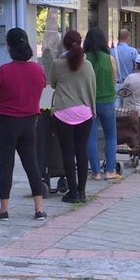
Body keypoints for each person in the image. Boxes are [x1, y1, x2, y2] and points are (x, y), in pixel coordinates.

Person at [0, 28, 46, 221]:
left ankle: (3, 209)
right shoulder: (38, 70)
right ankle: (39, 209)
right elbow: (40, 88)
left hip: (7, 123)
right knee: (32, 164)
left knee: (6, 166)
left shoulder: (5, 70)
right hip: (29, 123)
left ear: (9, 46)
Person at [49, 30, 96, 203]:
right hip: (84, 112)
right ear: (80, 42)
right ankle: (82, 192)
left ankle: (73, 192)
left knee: (67, 153)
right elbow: (92, 87)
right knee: (81, 151)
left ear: (64, 44)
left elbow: (53, 83)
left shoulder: (57, 64)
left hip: (63, 112)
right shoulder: (88, 65)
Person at [84, 27, 121, 181]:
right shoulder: (110, 59)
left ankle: (96, 172)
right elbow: (113, 81)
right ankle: (110, 171)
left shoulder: (84, 59)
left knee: (90, 137)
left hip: (88, 102)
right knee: (111, 136)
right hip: (107, 101)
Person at [111, 29, 137, 108]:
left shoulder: (111, 51)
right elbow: (137, 69)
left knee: (117, 110)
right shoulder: (133, 51)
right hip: (129, 85)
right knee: (128, 111)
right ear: (128, 38)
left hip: (116, 84)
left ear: (118, 38)